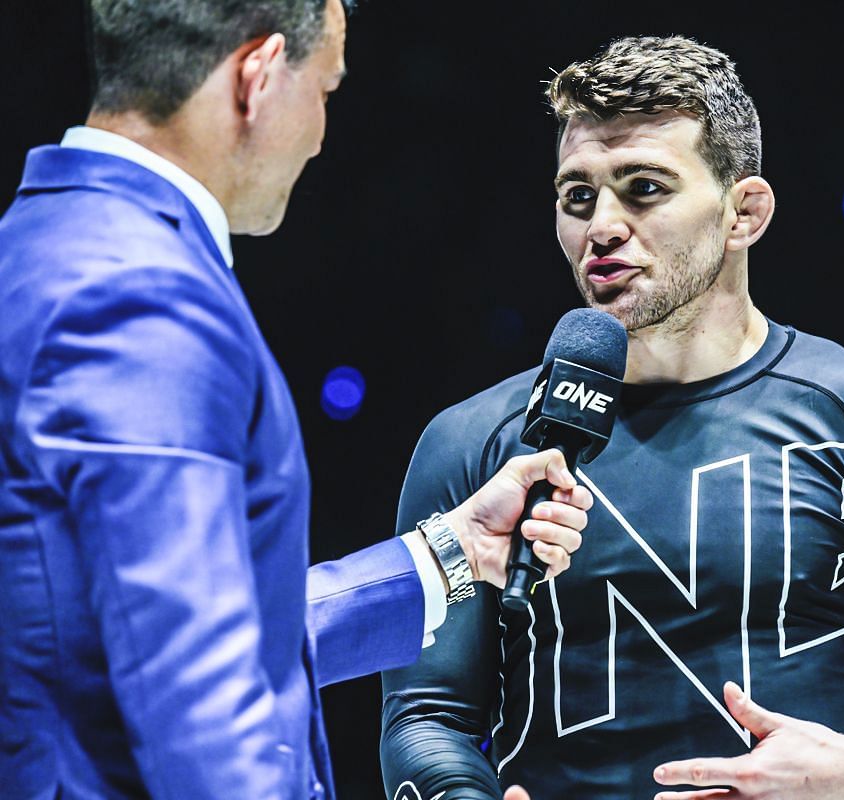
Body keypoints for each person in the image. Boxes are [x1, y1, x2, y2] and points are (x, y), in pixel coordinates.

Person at [379, 35, 844, 800]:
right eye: (578, 196)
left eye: (643, 188)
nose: (602, 226)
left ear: (745, 212)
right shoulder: (476, 443)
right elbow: (426, 713)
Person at [0, 2, 588, 799]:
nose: (320, 132)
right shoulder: (137, 292)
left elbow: (135, 631)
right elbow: (194, 687)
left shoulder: (41, 244)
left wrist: (450, 554)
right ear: (259, 75)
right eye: (326, 90)